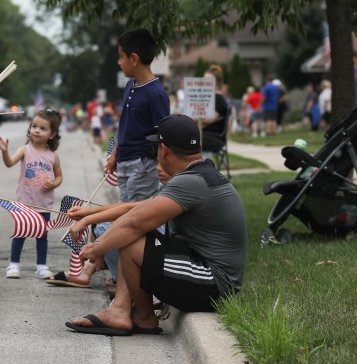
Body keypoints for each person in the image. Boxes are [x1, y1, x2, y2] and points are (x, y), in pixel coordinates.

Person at [65, 115, 247, 336]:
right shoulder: (198, 175)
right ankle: (123, 310)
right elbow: (136, 208)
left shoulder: (189, 182)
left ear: (164, 149)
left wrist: (95, 249)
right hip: (209, 276)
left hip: (215, 283)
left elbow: (134, 223)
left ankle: (140, 316)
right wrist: (89, 216)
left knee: (132, 242)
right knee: (134, 235)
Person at [100, 28, 170, 284]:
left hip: (143, 164)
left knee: (134, 223)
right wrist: (115, 153)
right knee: (124, 220)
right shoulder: (131, 86)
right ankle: (125, 282)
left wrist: (161, 166)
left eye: (120, 57)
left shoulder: (156, 93)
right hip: (126, 162)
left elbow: (163, 134)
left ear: (134, 58)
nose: (118, 62)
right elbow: (125, 124)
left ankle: (136, 285)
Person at [47, 162, 171, 289]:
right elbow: (129, 206)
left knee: (113, 233)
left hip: (168, 254)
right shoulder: (167, 186)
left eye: (165, 163)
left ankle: (126, 287)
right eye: (158, 162)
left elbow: (133, 215)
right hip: (161, 247)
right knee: (103, 226)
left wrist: (99, 246)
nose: (158, 168)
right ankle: (113, 282)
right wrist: (88, 214)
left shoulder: (179, 187)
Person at [0, 108, 63, 280]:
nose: (36, 130)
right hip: (25, 202)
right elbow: (9, 163)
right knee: (21, 233)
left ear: (52, 134)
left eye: (42, 128)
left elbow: (59, 176)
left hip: (43, 204)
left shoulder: (52, 156)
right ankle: (13, 265)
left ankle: (41, 266)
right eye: (34, 126)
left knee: (42, 236)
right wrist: (4, 151)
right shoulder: (25, 150)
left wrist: (54, 183)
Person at [201, 65, 229, 156]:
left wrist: (193, 118)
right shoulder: (207, 98)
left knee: (188, 139)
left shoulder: (219, 100)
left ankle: (203, 169)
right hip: (205, 134)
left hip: (214, 137)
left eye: (207, 81)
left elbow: (208, 120)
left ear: (216, 83)